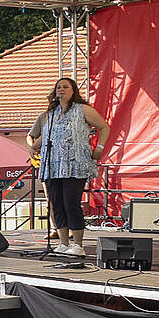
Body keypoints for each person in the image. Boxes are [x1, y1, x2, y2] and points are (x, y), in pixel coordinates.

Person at [33, 77, 111, 258]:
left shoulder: (82, 110)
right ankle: (63, 242)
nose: (61, 89)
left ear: (73, 91)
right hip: (53, 166)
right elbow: (42, 138)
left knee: (70, 203)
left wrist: (99, 147)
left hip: (75, 164)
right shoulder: (51, 115)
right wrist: (33, 147)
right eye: (58, 87)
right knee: (56, 204)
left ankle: (78, 244)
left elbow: (104, 127)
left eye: (65, 87)